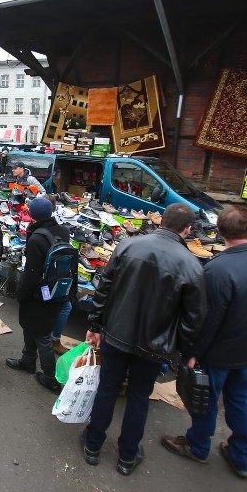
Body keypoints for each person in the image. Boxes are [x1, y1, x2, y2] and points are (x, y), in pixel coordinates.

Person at [161, 205, 247, 477]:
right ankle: (241, 457)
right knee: (239, 400)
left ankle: (197, 446)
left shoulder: (219, 269)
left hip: (219, 354)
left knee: (205, 400)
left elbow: (208, 320)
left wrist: (193, 352)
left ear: (218, 232)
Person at [81, 203, 206, 476]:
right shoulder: (192, 265)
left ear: (161, 220)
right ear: (187, 229)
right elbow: (193, 318)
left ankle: (93, 445)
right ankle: (127, 456)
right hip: (155, 344)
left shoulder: (129, 246)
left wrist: (95, 324)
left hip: (116, 333)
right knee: (138, 397)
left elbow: (104, 287)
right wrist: (185, 351)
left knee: (108, 389)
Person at [5, 196, 69, 394]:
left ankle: (50, 377)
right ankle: (28, 360)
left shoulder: (37, 238)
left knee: (41, 334)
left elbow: (32, 272)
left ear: (32, 215)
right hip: (55, 289)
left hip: (39, 292)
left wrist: (22, 294)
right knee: (32, 327)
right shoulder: (62, 230)